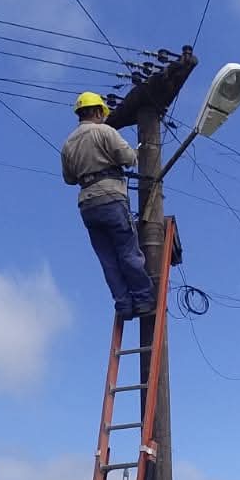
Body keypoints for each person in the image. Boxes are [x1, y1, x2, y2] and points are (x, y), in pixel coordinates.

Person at [61, 91, 156, 320]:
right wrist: (137, 152)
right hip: (111, 197)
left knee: (108, 258)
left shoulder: (68, 144)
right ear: (96, 111)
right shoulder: (104, 132)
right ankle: (143, 299)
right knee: (127, 251)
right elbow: (128, 158)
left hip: (87, 205)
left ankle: (123, 305)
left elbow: (69, 179)